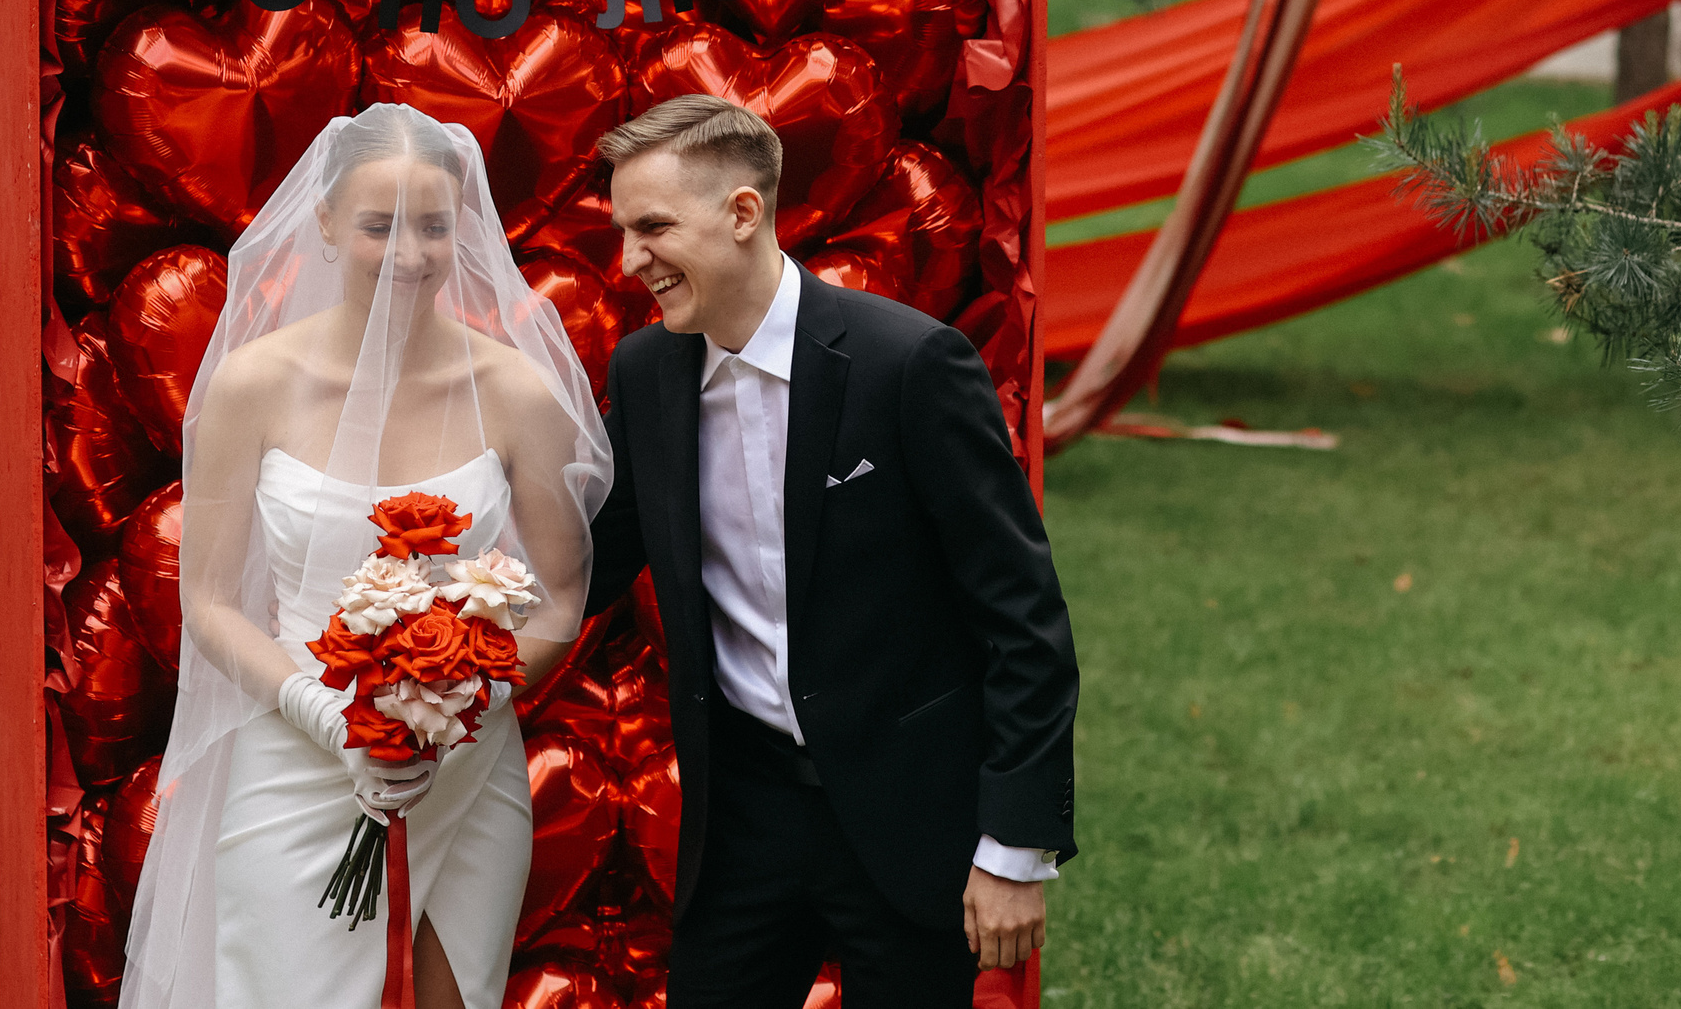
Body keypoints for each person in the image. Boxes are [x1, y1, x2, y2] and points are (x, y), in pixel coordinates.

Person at [589, 94, 1080, 1007]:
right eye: (623, 232)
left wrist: (1014, 845)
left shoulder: (911, 364)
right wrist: (434, 622)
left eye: (652, 228)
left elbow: (1023, 616)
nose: (629, 261)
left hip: (910, 817)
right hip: (742, 822)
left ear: (744, 212)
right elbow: (586, 560)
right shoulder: (645, 371)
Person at [119, 104, 613, 1009]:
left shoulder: (515, 391)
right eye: (380, 225)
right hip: (294, 748)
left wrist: (452, 708)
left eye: (434, 226)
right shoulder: (251, 384)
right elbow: (212, 601)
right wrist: (333, 718)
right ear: (325, 223)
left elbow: (559, 598)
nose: (410, 254)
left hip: (463, 761)